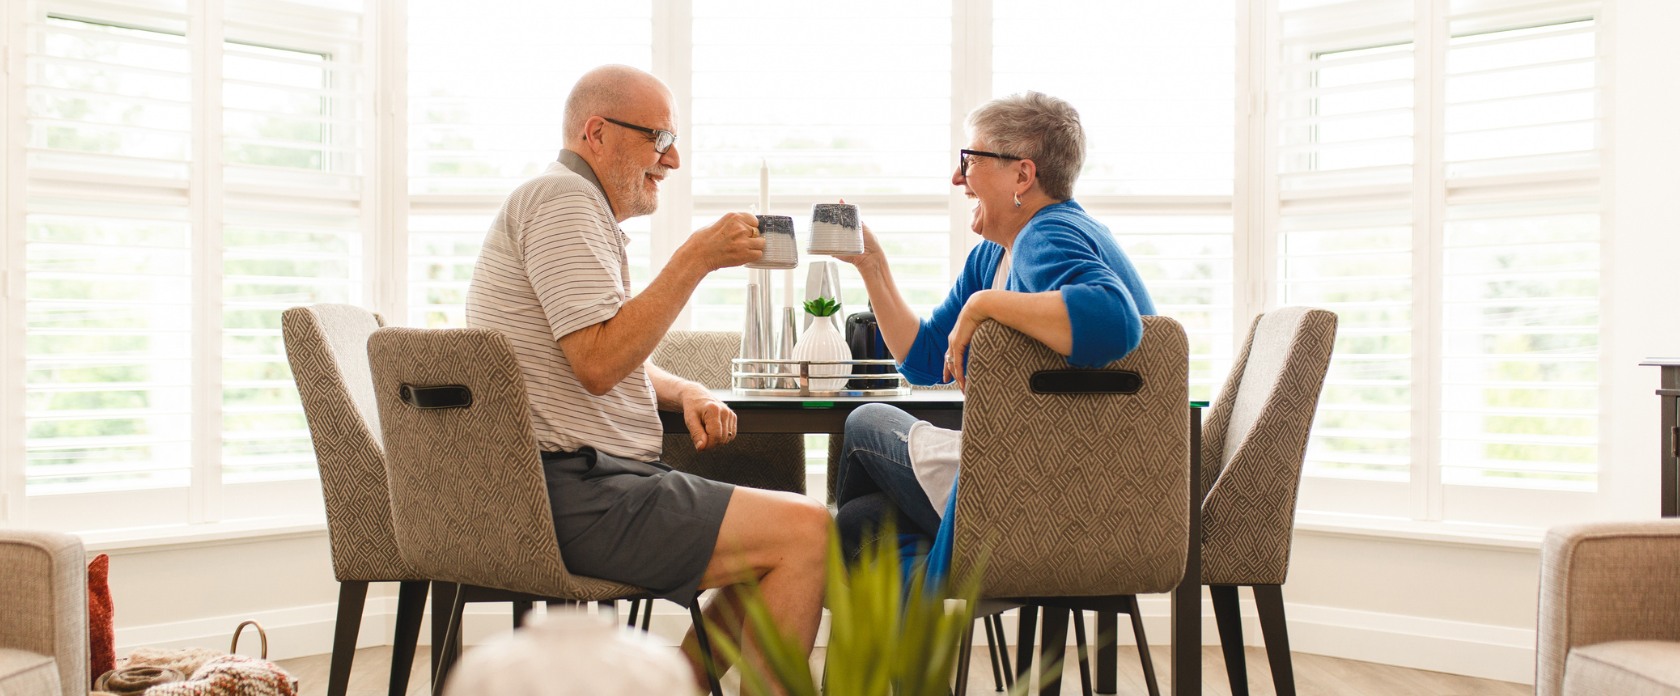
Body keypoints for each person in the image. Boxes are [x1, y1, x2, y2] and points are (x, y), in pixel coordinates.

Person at [464, 64, 828, 693]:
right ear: (596, 132)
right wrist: (694, 260)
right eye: (659, 139)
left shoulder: (571, 204)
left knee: (776, 536)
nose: (675, 158)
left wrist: (683, 388)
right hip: (569, 489)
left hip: (582, 481)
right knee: (807, 531)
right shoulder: (563, 203)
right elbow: (599, 362)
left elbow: (587, 346)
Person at [831, 91, 1157, 560]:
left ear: (1022, 174)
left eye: (971, 159)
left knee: (865, 421)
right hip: (1050, 472)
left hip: (1065, 487)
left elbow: (1115, 322)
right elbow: (928, 362)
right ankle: (912, 611)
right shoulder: (993, 254)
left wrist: (985, 304)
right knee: (859, 523)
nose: (957, 177)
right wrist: (872, 266)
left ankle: (917, 602)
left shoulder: (1048, 232)